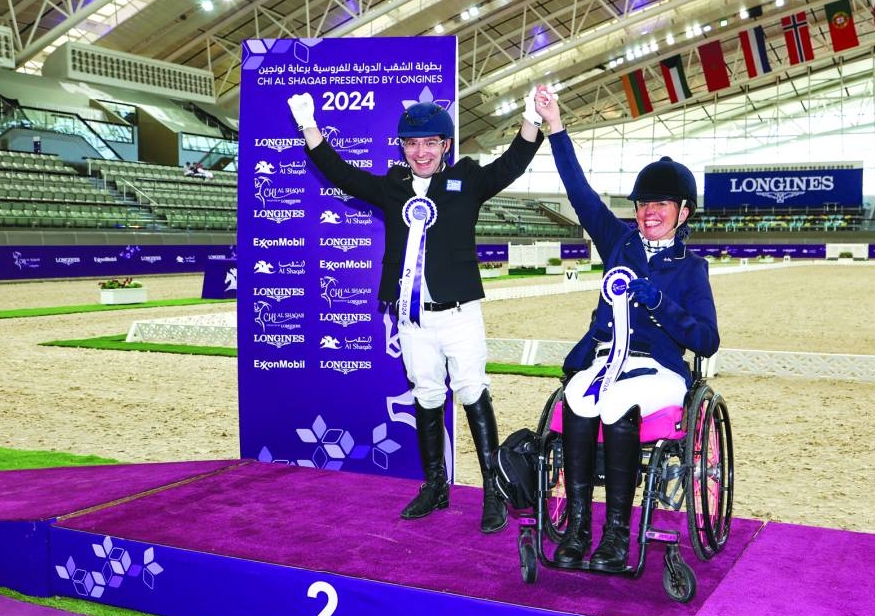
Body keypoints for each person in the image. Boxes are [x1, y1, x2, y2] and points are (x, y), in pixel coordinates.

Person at [287, 90, 545, 534]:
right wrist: (310, 127)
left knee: (471, 391)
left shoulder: (467, 179)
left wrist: (530, 119)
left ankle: (491, 490)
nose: (420, 151)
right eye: (411, 144)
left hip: (460, 314)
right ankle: (435, 486)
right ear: (402, 148)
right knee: (426, 395)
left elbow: (512, 163)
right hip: (412, 319)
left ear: (446, 144)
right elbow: (343, 175)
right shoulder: (392, 186)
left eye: (429, 142)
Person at [535, 91, 719, 571]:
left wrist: (658, 302)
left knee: (616, 401)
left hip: (658, 369)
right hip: (604, 361)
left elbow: (707, 340)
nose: (648, 211)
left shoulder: (692, 268)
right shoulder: (618, 240)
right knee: (578, 395)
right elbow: (578, 191)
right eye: (641, 203)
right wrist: (555, 124)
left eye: (660, 203)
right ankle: (577, 527)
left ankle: (616, 534)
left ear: (684, 211)